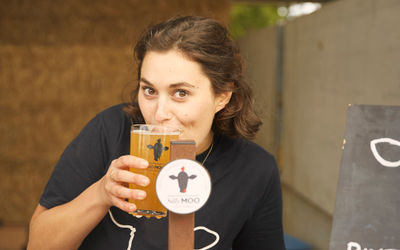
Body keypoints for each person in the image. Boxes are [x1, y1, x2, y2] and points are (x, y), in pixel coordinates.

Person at [28, 16, 285, 249]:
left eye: (181, 93)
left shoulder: (255, 170)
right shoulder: (111, 130)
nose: (159, 113)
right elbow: (38, 245)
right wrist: (101, 193)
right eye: (149, 90)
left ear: (222, 97)